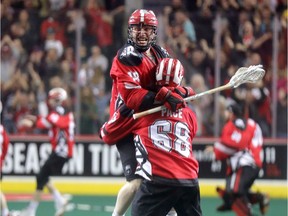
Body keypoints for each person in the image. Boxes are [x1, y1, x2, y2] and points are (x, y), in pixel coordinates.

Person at [108, 9, 188, 216]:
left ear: (154, 31)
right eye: (137, 28)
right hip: (127, 123)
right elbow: (134, 99)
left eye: (146, 28)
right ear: (130, 30)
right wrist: (166, 96)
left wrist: (183, 92)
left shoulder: (160, 53)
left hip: (148, 125)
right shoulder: (126, 57)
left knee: (161, 179)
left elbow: (172, 82)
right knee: (136, 181)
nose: (141, 32)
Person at [101, 58, 202, 216]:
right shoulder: (189, 113)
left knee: (136, 185)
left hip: (158, 181)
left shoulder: (141, 110)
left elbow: (108, 134)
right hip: (189, 180)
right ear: (180, 79)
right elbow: (190, 135)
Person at [18, 87, 75, 216]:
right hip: (60, 152)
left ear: (57, 100)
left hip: (62, 152)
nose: (49, 102)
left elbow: (55, 122)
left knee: (41, 177)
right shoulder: (58, 113)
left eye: (52, 99)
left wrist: (34, 121)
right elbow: (46, 122)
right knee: (44, 177)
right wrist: (33, 121)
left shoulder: (62, 113)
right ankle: (59, 201)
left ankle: (31, 211)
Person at [206, 102, 270, 216]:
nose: (224, 114)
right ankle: (259, 198)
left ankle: (245, 209)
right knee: (235, 190)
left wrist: (215, 149)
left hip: (246, 163)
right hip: (253, 162)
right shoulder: (251, 123)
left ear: (231, 113)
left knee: (234, 191)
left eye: (226, 111)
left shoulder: (234, 124)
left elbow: (236, 144)